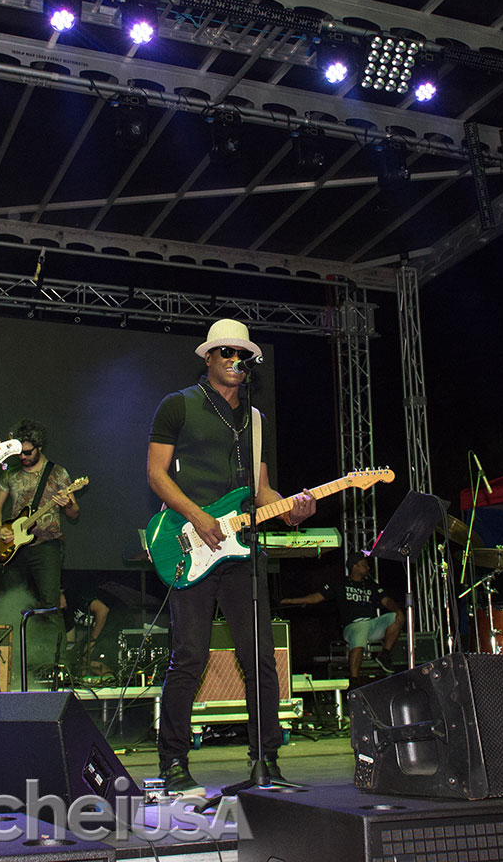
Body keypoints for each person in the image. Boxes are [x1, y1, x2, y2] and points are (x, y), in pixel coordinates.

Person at [147, 318, 315, 796]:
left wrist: (292, 509)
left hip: (241, 550)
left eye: (242, 355)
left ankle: (266, 760)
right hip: (190, 540)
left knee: (259, 656)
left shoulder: (255, 419)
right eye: (226, 352)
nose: (235, 360)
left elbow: (261, 491)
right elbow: (156, 474)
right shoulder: (178, 405)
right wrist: (198, 516)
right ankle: (173, 762)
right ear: (208, 357)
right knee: (190, 656)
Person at [0, 419, 79, 675]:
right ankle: (11, 667)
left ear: (39, 447)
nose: (23, 457)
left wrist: (67, 504)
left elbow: (74, 512)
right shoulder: (11, 475)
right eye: (19, 452)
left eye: (28, 452)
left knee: (51, 606)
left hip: (47, 546)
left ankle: (58, 667)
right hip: (16, 548)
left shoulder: (58, 473)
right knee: (12, 603)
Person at [280, 552, 403, 679]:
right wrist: (291, 601)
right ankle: (354, 679)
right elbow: (316, 597)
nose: (368, 568)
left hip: (372, 625)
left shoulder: (371, 584)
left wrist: (397, 610)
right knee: (360, 629)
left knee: (397, 617)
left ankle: (384, 654)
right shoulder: (340, 583)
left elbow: (386, 601)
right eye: (364, 565)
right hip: (352, 626)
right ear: (354, 566)